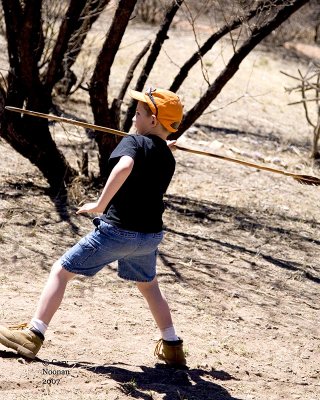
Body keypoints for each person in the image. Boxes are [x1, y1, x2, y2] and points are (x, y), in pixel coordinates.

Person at [0, 88, 187, 368]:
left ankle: (33, 334)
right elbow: (151, 160)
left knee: (61, 272)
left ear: (153, 121)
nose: (134, 117)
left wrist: (100, 204)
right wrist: (163, 146)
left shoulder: (134, 142)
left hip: (118, 232)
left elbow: (125, 167)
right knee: (149, 286)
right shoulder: (167, 157)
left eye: (139, 113)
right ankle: (172, 346)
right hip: (149, 237)